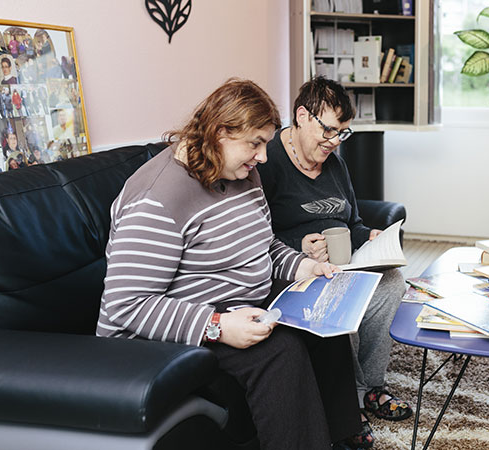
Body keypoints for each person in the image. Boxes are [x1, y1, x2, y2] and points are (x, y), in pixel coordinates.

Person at [96, 78, 361, 450]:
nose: (263, 158)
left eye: (266, 143)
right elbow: (126, 306)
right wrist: (217, 326)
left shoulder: (241, 173)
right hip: (173, 328)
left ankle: (341, 436)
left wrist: (303, 268)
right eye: (255, 143)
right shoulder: (157, 199)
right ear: (220, 132)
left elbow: (262, 244)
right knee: (279, 350)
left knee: (324, 317)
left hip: (235, 302)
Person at [258, 77, 413, 448]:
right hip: (298, 270)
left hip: (343, 261)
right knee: (345, 294)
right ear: (301, 116)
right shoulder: (266, 163)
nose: (333, 141)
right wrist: (299, 246)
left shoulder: (334, 164)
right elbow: (255, 238)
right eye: (328, 130)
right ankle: (352, 401)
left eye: (342, 133)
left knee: (391, 283)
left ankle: (371, 386)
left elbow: (353, 223)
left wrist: (370, 237)